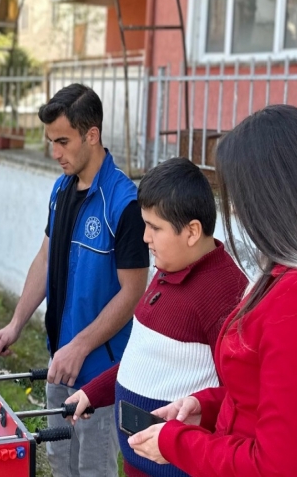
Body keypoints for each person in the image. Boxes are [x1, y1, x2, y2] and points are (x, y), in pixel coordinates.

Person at [128, 105, 297, 476]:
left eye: (240, 194)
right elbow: (266, 398)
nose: (236, 208)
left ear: (274, 197)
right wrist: (204, 405)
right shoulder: (291, 280)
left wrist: (176, 443)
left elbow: (275, 466)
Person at [0, 83, 149, 477]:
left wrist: (80, 347)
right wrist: (15, 324)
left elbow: (133, 292)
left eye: (63, 141)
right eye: (50, 142)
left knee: (93, 470)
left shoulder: (124, 203)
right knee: (60, 464)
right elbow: (44, 259)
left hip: (99, 374)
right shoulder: (60, 189)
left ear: (92, 135)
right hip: (61, 361)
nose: (55, 152)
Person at [66, 157, 248, 477]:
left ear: (192, 231)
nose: (145, 238)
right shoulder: (166, 271)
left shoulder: (224, 293)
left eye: (154, 228)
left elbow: (239, 397)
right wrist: (93, 391)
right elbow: (145, 359)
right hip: (138, 460)